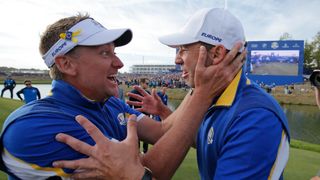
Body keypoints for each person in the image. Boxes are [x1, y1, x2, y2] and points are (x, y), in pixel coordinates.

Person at [0, 12, 244, 180]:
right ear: (66, 64)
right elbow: (150, 172)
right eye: (105, 53)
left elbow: (161, 132)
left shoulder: (109, 104)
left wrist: (195, 83)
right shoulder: (37, 126)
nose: (119, 63)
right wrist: (202, 93)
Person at [52, 8, 290, 180]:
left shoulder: (254, 117)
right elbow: (202, 138)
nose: (176, 60)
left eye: (183, 50)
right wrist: (165, 112)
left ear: (216, 55)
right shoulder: (214, 97)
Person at [129, 78, 151, 153]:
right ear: (142, 83)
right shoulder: (133, 92)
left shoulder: (148, 92)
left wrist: (150, 115)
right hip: (137, 117)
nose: (148, 85)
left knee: (147, 136)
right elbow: (129, 106)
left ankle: (145, 152)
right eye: (147, 83)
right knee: (137, 135)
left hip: (146, 117)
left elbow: (151, 106)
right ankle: (137, 152)